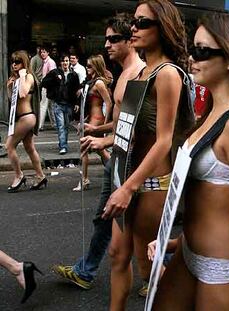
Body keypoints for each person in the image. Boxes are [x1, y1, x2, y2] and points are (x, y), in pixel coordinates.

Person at [153, 12, 229, 310]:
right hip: (187, 251)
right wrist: (174, 240)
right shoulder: (209, 113)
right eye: (193, 49)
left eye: (202, 51)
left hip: (221, 269)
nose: (193, 58)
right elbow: (207, 200)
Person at [97, 0, 193, 307]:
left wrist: (128, 187)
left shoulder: (167, 74)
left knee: (147, 263)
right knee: (116, 254)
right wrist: (106, 141)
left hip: (150, 184)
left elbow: (164, 140)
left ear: (162, 28)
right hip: (127, 176)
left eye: (142, 23)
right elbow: (130, 131)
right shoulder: (141, 74)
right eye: (134, 22)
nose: (133, 28)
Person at [53, 13, 145, 290]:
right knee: (108, 219)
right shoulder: (123, 74)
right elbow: (120, 121)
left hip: (128, 162)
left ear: (131, 40)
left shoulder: (138, 74)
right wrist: (98, 131)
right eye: (106, 39)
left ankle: (157, 274)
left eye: (114, 39)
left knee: (136, 225)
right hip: (117, 159)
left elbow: (137, 127)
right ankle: (87, 271)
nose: (107, 45)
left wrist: (103, 142)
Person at [5, 50, 47, 192]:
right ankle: (40, 176)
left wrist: (22, 76)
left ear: (24, 62)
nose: (14, 65)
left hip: (27, 117)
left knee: (9, 146)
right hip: (22, 117)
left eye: (18, 62)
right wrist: (9, 87)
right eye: (13, 62)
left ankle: (19, 176)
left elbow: (23, 93)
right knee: (29, 148)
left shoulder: (28, 76)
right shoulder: (17, 78)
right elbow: (13, 101)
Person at [72, 54, 112, 191]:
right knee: (99, 150)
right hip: (91, 119)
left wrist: (105, 125)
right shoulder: (92, 82)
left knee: (88, 149)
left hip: (97, 120)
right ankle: (113, 172)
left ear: (96, 66)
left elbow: (109, 103)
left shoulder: (99, 83)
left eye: (89, 66)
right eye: (87, 65)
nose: (87, 68)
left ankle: (84, 180)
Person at [41, 54, 80, 155]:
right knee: (61, 126)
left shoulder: (73, 75)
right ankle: (63, 147)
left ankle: (63, 144)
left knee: (66, 125)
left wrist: (76, 103)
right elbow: (44, 82)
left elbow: (76, 89)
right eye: (63, 61)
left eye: (67, 61)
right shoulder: (55, 72)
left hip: (69, 103)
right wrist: (55, 78)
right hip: (58, 103)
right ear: (60, 63)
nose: (65, 63)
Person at [38, 46, 57, 130]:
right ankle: (54, 123)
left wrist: (46, 84)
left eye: (44, 52)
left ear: (48, 53)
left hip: (48, 86)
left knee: (43, 105)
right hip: (48, 86)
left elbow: (53, 75)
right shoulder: (45, 62)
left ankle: (40, 125)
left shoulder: (50, 62)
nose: (42, 54)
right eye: (41, 52)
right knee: (50, 106)